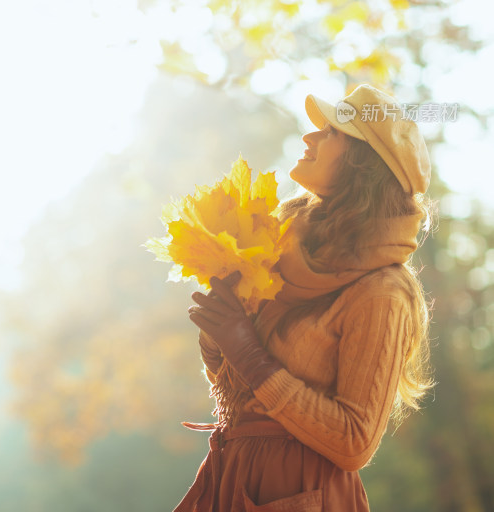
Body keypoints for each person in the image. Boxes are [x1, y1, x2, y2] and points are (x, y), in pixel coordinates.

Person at [174, 84, 435, 512]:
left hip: (302, 492)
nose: (309, 137)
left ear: (363, 164)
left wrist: (249, 354)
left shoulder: (383, 291)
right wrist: (219, 335)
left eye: (331, 132)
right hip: (233, 474)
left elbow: (355, 443)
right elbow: (236, 388)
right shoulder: (279, 247)